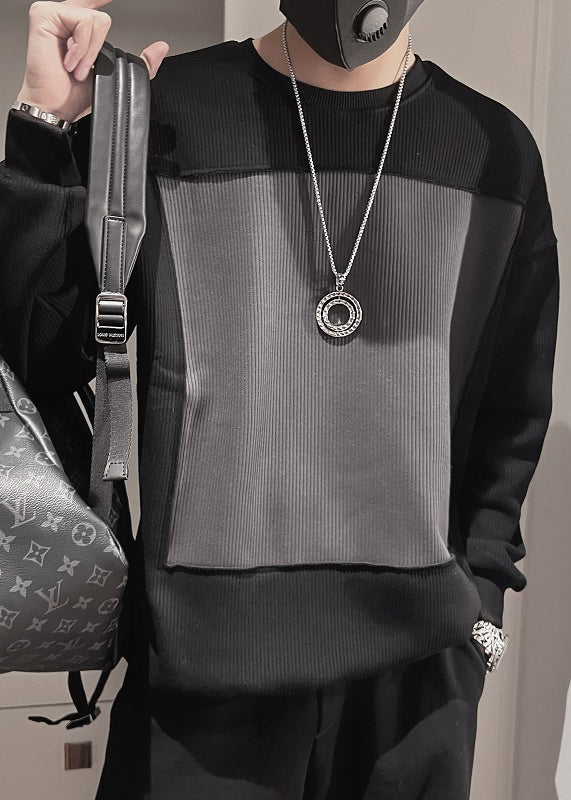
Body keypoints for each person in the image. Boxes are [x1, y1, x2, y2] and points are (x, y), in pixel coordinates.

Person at [0, 0, 560, 797]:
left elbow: (510, 409)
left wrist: (481, 608)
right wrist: (45, 127)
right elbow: (39, 358)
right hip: (197, 675)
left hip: (417, 678)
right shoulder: (167, 108)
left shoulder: (492, 150)